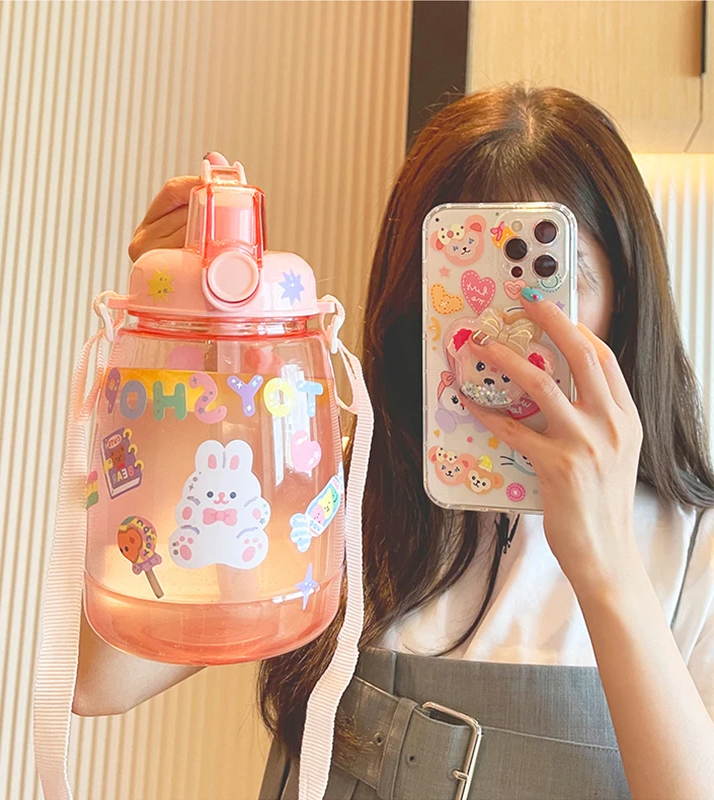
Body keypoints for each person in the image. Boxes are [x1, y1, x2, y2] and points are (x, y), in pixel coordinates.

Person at [74, 85, 714, 799]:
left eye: (547, 283)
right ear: (413, 298)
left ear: (624, 296)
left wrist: (608, 565)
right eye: (464, 281)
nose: (501, 332)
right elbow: (102, 681)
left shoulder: (695, 549)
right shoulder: (339, 500)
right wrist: (183, 342)